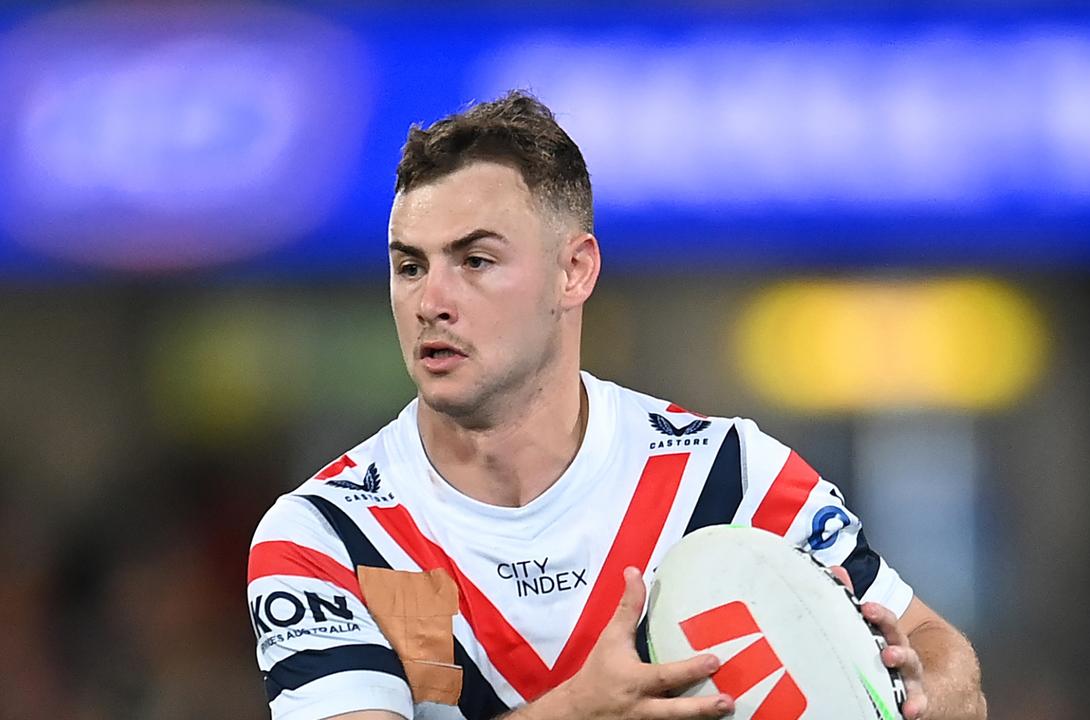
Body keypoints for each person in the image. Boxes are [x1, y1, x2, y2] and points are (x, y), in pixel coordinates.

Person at [247, 91, 986, 720]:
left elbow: (943, 656)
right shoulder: (327, 534)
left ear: (574, 272)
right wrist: (579, 710)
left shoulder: (727, 478)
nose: (430, 302)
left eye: (474, 261)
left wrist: (913, 692)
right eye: (410, 265)